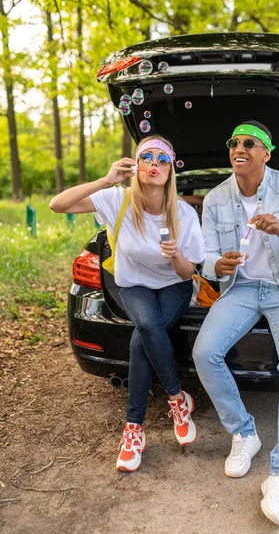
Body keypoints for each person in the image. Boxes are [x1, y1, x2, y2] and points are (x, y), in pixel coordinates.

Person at [192, 121, 279, 526]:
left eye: (250, 143)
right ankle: (245, 432)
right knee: (204, 352)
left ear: (266, 153)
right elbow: (206, 257)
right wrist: (219, 264)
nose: (240, 147)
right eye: (234, 141)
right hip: (241, 290)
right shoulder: (215, 198)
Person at [50, 134, 206, 472]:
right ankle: (178, 398)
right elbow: (57, 205)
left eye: (162, 159)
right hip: (134, 285)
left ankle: (134, 428)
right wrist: (106, 180)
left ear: (170, 169)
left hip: (173, 285)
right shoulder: (115, 200)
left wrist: (176, 254)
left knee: (141, 338)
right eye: (147, 157)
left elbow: (188, 271)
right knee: (147, 326)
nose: (155, 164)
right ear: (135, 165)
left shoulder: (183, 214)